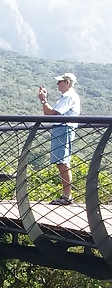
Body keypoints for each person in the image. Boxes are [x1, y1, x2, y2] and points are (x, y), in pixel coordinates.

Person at [38, 71, 82, 205]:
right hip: (62, 129)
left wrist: (44, 100)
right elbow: (50, 113)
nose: (57, 84)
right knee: (62, 162)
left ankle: (66, 197)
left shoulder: (68, 96)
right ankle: (66, 196)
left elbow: (51, 114)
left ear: (67, 83)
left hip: (64, 129)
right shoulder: (67, 96)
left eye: (59, 81)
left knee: (62, 162)